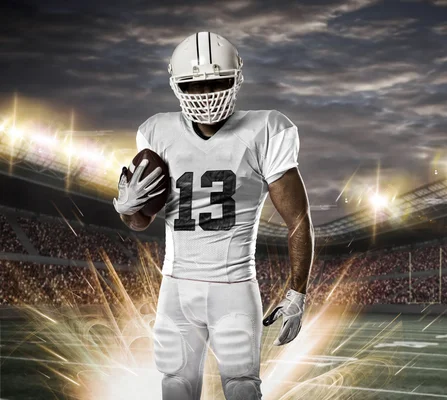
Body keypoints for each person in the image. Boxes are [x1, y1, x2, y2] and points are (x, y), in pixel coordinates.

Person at [113, 31, 314, 400]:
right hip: (175, 286)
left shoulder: (265, 129)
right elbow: (141, 221)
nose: (206, 94)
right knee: (175, 385)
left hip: (234, 285)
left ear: (237, 78)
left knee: (241, 388)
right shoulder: (157, 132)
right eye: (194, 85)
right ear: (176, 85)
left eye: (216, 81)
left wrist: (298, 291)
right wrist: (127, 209)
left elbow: (297, 218)